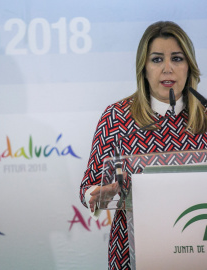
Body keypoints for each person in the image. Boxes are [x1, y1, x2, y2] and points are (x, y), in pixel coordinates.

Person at [79, 21, 207, 270]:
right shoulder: (116, 117)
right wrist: (99, 194)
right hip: (132, 252)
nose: (167, 69)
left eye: (177, 59)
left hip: (197, 247)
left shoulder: (205, 116)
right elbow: (88, 186)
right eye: (157, 60)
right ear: (144, 68)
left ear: (189, 66)